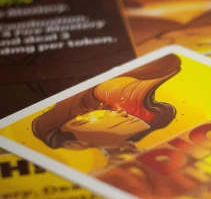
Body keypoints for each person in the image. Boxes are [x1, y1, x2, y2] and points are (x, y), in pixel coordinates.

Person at [31, 54, 181, 168]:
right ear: (75, 145)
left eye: (107, 109)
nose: (122, 113)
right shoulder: (104, 174)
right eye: (86, 120)